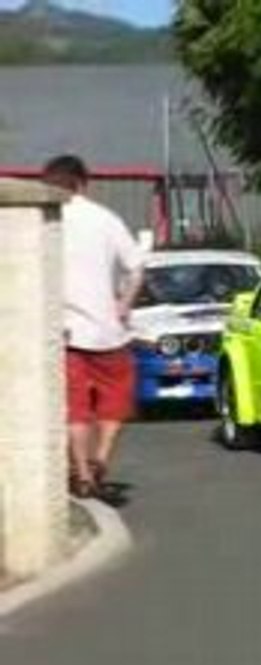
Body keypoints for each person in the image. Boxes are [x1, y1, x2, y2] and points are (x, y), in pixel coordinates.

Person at [43, 155, 145, 498]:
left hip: (63, 333)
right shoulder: (105, 219)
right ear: (83, 183)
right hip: (107, 332)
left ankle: (83, 475)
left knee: (75, 409)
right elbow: (136, 267)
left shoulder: (45, 219)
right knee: (116, 398)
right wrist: (123, 304)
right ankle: (100, 458)